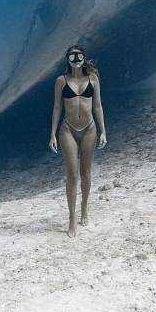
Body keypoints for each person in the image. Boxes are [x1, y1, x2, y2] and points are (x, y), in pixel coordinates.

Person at [49, 45, 107, 237]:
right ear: (68, 59)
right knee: (72, 174)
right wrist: (52, 134)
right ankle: (72, 218)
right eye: (73, 56)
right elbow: (57, 108)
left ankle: (84, 209)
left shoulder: (93, 79)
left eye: (79, 55)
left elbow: (98, 106)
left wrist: (103, 131)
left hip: (89, 129)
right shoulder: (61, 81)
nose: (76, 59)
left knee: (86, 173)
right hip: (68, 130)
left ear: (84, 58)